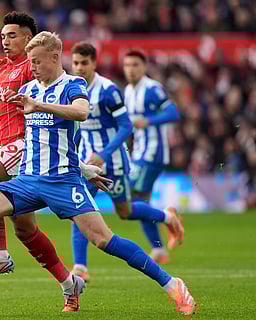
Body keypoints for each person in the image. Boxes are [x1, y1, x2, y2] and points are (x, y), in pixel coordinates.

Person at [0, 31, 196, 316]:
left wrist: (40, 109)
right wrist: (86, 167)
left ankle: (171, 284)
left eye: (37, 61)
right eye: (30, 62)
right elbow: (40, 140)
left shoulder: (72, 84)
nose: (32, 67)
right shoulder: (30, 88)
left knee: (103, 239)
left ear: (55, 58)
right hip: (28, 180)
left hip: (62, 183)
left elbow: (80, 112)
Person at [0, 11, 105, 300]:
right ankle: (69, 283)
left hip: (23, 144)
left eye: (12, 35)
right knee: (26, 231)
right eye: (3, 36)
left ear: (28, 38)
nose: (5, 41)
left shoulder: (33, 69)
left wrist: (75, 160)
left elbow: (64, 98)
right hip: (12, 155)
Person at [69, 42, 185, 281]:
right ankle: (80, 267)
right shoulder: (71, 88)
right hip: (87, 161)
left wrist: (104, 153)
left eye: (84, 63)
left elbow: (126, 127)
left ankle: (167, 219)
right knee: (77, 206)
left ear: (94, 63)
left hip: (114, 162)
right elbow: (79, 127)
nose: (79, 67)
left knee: (127, 210)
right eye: (76, 63)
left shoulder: (108, 90)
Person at [123, 50, 183, 263]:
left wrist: (149, 121)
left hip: (153, 153)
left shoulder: (152, 89)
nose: (130, 70)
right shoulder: (128, 91)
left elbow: (173, 112)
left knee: (129, 201)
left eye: (135, 65)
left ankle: (168, 218)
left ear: (144, 67)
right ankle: (158, 249)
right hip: (138, 153)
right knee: (141, 203)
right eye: (127, 65)